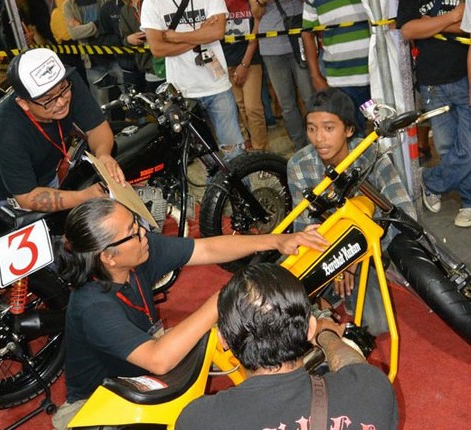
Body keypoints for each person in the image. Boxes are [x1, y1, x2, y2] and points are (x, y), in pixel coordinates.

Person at [52, 197, 329, 429]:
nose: (144, 232)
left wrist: (277, 241)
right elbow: (158, 360)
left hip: (142, 370)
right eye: (133, 231)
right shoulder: (93, 306)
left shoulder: (137, 252)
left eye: (137, 223)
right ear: (108, 256)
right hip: (99, 405)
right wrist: (220, 299)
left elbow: (206, 248)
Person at [176, 263, 398, 429]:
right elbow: (356, 367)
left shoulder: (198, 420)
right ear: (310, 328)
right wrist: (327, 335)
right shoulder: (373, 389)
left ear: (223, 340)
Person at [287, 88, 417, 335]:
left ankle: (333, 297)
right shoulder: (299, 164)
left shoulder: (372, 155)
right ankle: (327, 300)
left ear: (348, 130)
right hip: (324, 251)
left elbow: (405, 213)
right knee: (285, 302)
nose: (318, 138)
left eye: (328, 128)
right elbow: (303, 228)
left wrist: (354, 258)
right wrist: (338, 261)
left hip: (368, 252)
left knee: (377, 326)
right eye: (311, 129)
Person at [0, 48, 124, 212]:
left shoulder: (64, 81)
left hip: (48, 171)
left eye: (63, 90)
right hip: (6, 193)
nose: (61, 102)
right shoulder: (5, 131)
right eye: (48, 100)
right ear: (24, 103)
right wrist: (85, 196)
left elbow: (96, 127)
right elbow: (27, 197)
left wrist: (103, 155)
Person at [140, 0, 246, 161]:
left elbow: (218, 32)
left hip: (217, 87)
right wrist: (201, 34)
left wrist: (176, 37)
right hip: (182, 92)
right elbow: (158, 48)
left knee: (235, 153)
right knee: (208, 158)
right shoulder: (152, 3)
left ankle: (239, 179)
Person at [397, 1, 471, 228]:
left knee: (468, 147)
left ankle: (430, 181)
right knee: (446, 147)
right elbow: (408, 30)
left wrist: (431, 24)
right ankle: (468, 202)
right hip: (432, 82)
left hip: (466, 76)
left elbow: (468, 25)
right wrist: (454, 17)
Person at [250, 0, 314, 151]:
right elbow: (256, 13)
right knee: (286, 104)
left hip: (299, 37)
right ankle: (300, 147)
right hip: (271, 46)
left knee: (310, 97)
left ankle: (318, 140)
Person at [302, 0, 371, 137]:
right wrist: (315, 75)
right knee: (352, 135)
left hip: (378, 73)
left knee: (388, 127)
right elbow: (307, 34)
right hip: (341, 79)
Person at [223, 0, 268, 151]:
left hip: (250, 58)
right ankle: (252, 144)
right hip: (226, 59)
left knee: (252, 108)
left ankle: (261, 150)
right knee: (241, 107)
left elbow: (257, 21)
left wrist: (245, 63)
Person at [63, 0, 125, 106]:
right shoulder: (69, 5)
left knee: (130, 95)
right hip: (92, 61)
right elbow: (74, 33)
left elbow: (113, 23)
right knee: (101, 105)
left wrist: (84, 27)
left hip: (114, 55)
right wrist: (97, 25)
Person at [118, 0, 164, 93]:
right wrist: (128, 40)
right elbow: (124, 37)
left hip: (169, 61)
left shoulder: (156, 3)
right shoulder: (125, 10)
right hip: (149, 68)